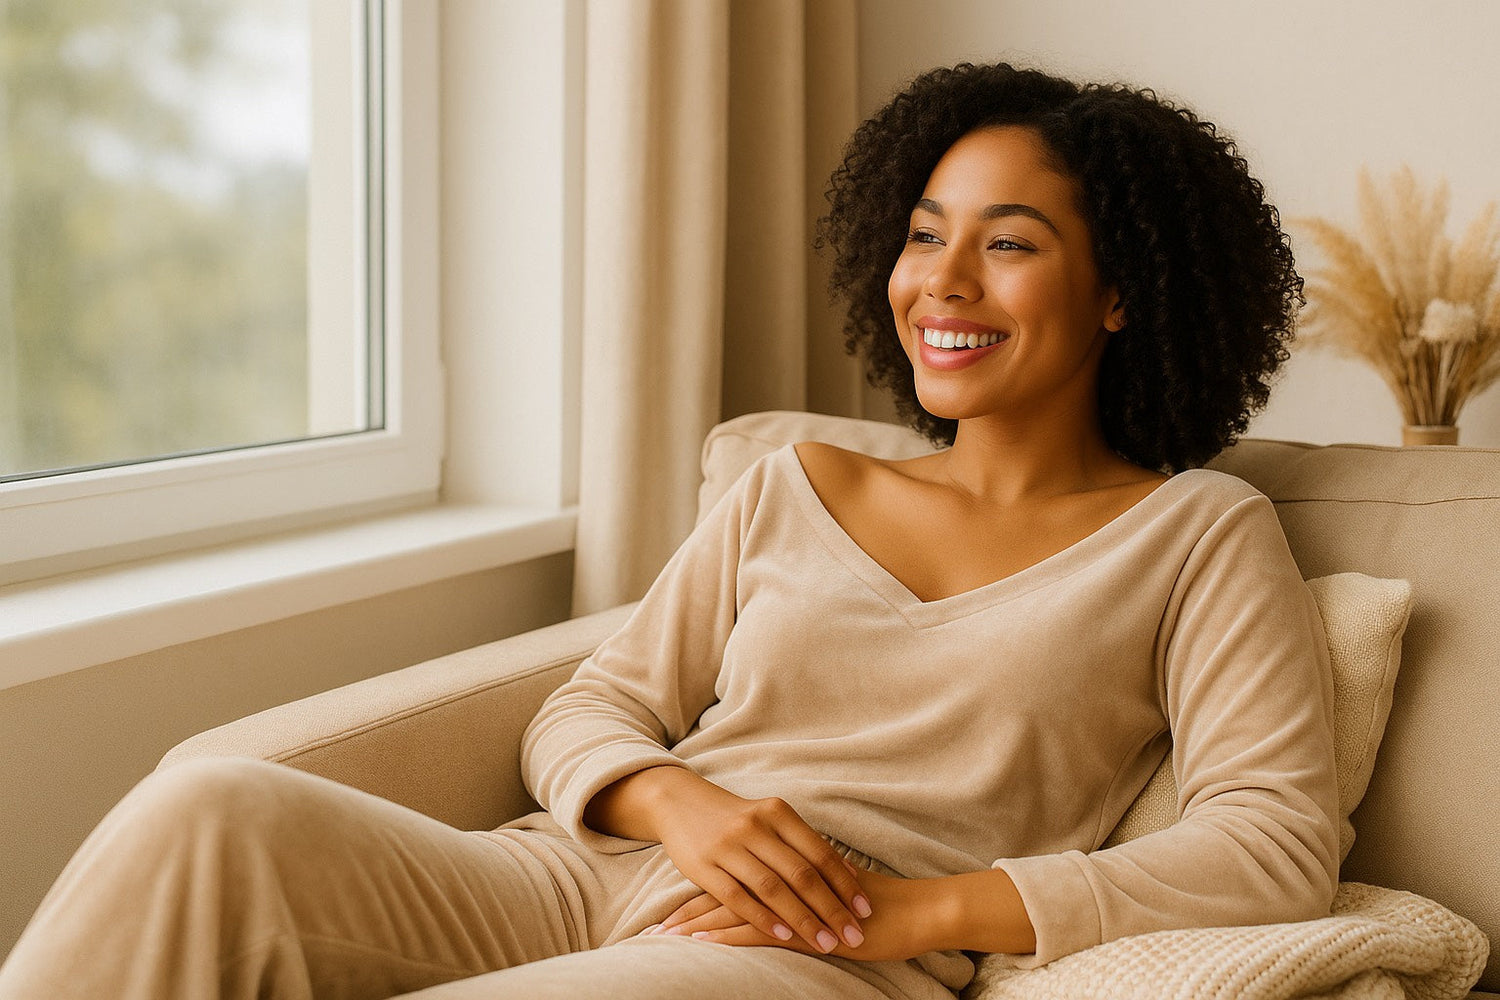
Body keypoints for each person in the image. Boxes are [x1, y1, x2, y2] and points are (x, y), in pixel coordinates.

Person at [0, 62, 1338, 1000]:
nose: (943, 279)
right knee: (208, 804)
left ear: (1121, 294)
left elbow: (1272, 841)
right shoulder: (798, 482)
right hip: (574, 873)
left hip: (810, 953)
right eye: (925, 235)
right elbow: (590, 707)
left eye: (1011, 244)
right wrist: (681, 802)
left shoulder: (1196, 535)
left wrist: (924, 912)